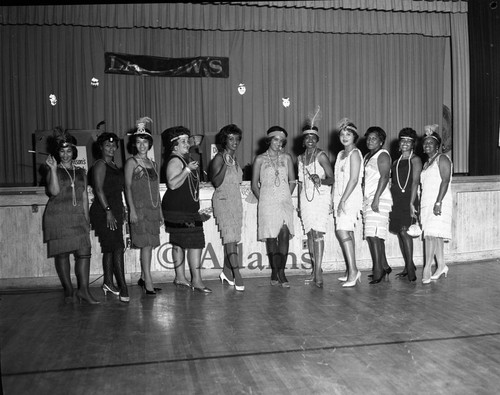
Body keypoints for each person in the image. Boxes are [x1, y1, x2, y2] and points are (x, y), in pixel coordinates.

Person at [43, 128, 98, 304]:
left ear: (73, 152)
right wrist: (52, 170)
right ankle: (68, 289)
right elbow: (53, 192)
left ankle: (84, 290)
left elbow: (84, 197)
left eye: (68, 151)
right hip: (58, 217)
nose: (65, 155)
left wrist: (87, 219)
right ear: (57, 153)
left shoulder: (81, 172)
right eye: (61, 151)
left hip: (78, 217)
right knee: (62, 255)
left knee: (84, 253)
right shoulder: (54, 170)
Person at [162, 126, 212, 293]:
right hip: (178, 210)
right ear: (174, 145)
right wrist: (188, 169)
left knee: (179, 243)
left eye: (186, 140)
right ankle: (196, 281)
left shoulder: (183, 159)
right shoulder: (176, 160)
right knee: (195, 243)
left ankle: (180, 278)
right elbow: (172, 183)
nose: (187, 143)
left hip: (183, 209)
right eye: (182, 141)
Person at [251, 126, 296, 288]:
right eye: (276, 139)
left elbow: (292, 180)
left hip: (285, 202)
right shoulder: (260, 159)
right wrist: (263, 199)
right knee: (271, 237)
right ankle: (274, 271)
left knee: (284, 234)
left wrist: (286, 196)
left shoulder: (287, 158)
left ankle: (281, 272)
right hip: (267, 203)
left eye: (282, 140)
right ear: (269, 140)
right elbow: (254, 185)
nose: (279, 143)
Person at [124, 117, 163, 295]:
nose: (142, 145)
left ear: (149, 144)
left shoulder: (154, 164)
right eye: (138, 142)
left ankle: (143, 276)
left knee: (150, 244)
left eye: (145, 142)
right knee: (146, 245)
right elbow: (128, 187)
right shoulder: (131, 163)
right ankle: (148, 281)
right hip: (139, 209)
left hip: (153, 209)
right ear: (134, 145)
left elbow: (156, 189)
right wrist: (131, 209)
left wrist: (160, 211)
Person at [89, 132, 129, 303]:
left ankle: (107, 283)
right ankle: (123, 287)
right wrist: (108, 211)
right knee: (118, 247)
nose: (111, 148)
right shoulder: (100, 164)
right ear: (100, 147)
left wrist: (122, 209)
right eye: (107, 145)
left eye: (113, 145)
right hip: (104, 212)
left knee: (110, 248)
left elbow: (116, 190)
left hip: (115, 210)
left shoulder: (113, 164)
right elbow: (98, 190)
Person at [209, 124, 245, 291]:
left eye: (237, 139)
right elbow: (216, 182)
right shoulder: (218, 158)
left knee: (233, 239)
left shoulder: (236, 159)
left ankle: (226, 272)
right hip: (223, 201)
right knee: (230, 238)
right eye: (231, 139)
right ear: (224, 140)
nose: (234, 142)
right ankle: (237, 274)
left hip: (235, 201)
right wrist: (225, 164)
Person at [297, 125, 334, 288]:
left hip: (320, 197)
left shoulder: (321, 156)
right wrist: (299, 204)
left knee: (318, 232)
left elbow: (332, 179)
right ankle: (315, 269)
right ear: (303, 141)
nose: (310, 140)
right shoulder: (299, 158)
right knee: (310, 234)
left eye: (313, 137)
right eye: (307, 137)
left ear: (317, 140)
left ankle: (318, 272)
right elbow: (299, 183)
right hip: (305, 198)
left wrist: (320, 180)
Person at [420, 124, 453, 284]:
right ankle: (441, 266)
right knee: (435, 235)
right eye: (425, 143)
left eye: (430, 143)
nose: (427, 145)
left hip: (439, 202)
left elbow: (445, 180)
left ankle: (427, 268)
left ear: (437, 146)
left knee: (431, 235)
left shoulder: (443, 158)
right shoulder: (426, 163)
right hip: (427, 203)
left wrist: (438, 202)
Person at [333, 118, 363, 287]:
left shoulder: (355, 154)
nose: (345, 137)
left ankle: (353, 272)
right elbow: (338, 179)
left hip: (350, 197)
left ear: (354, 136)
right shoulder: (340, 154)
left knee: (343, 231)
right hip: (340, 196)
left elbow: (353, 179)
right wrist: (334, 199)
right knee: (347, 232)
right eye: (342, 134)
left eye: (348, 134)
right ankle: (351, 269)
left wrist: (343, 200)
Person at [389, 128, 422, 282]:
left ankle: (410, 268)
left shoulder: (415, 160)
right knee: (400, 234)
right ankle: (408, 265)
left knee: (405, 231)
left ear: (413, 144)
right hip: (396, 199)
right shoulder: (395, 162)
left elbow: (415, 181)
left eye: (409, 141)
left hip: (409, 198)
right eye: (403, 140)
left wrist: (411, 202)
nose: (405, 144)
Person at [362, 127, 393, 284]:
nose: (369, 141)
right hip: (370, 199)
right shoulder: (368, 156)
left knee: (373, 236)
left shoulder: (383, 154)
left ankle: (378, 271)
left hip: (379, 199)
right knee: (376, 235)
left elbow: (385, 176)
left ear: (381, 141)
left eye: (374, 138)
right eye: (368, 138)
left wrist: (376, 199)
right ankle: (384, 266)